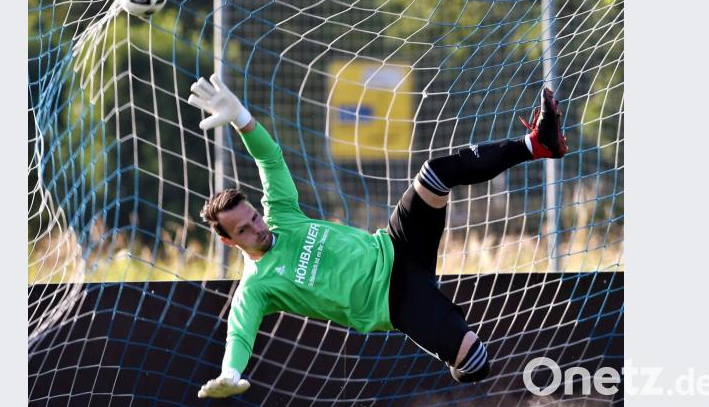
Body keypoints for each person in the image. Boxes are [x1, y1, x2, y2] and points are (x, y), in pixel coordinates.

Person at [190, 75, 567, 398]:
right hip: (395, 300)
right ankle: (453, 354)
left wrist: (241, 119)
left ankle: (537, 144)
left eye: (254, 217)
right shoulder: (257, 288)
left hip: (396, 243)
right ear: (228, 241)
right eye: (244, 230)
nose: (257, 227)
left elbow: (270, 160)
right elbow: (239, 334)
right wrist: (230, 374)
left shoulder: (281, 215)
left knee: (434, 173)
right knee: (475, 363)